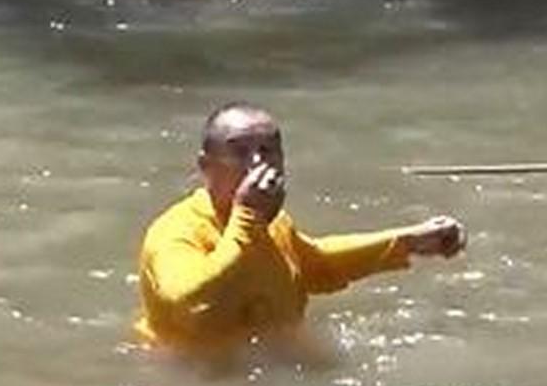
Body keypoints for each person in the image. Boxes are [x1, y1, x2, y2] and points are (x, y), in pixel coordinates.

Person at [135, 102, 465, 358]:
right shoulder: (174, 232)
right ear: (205, 165)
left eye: (268, 151)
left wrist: (407, 241)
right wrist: (248, 215)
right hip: (200, 378)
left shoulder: (274, 222)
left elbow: (313, 265)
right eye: (239, 151)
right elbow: (192, 304)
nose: (257, 164)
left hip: (273, 362)